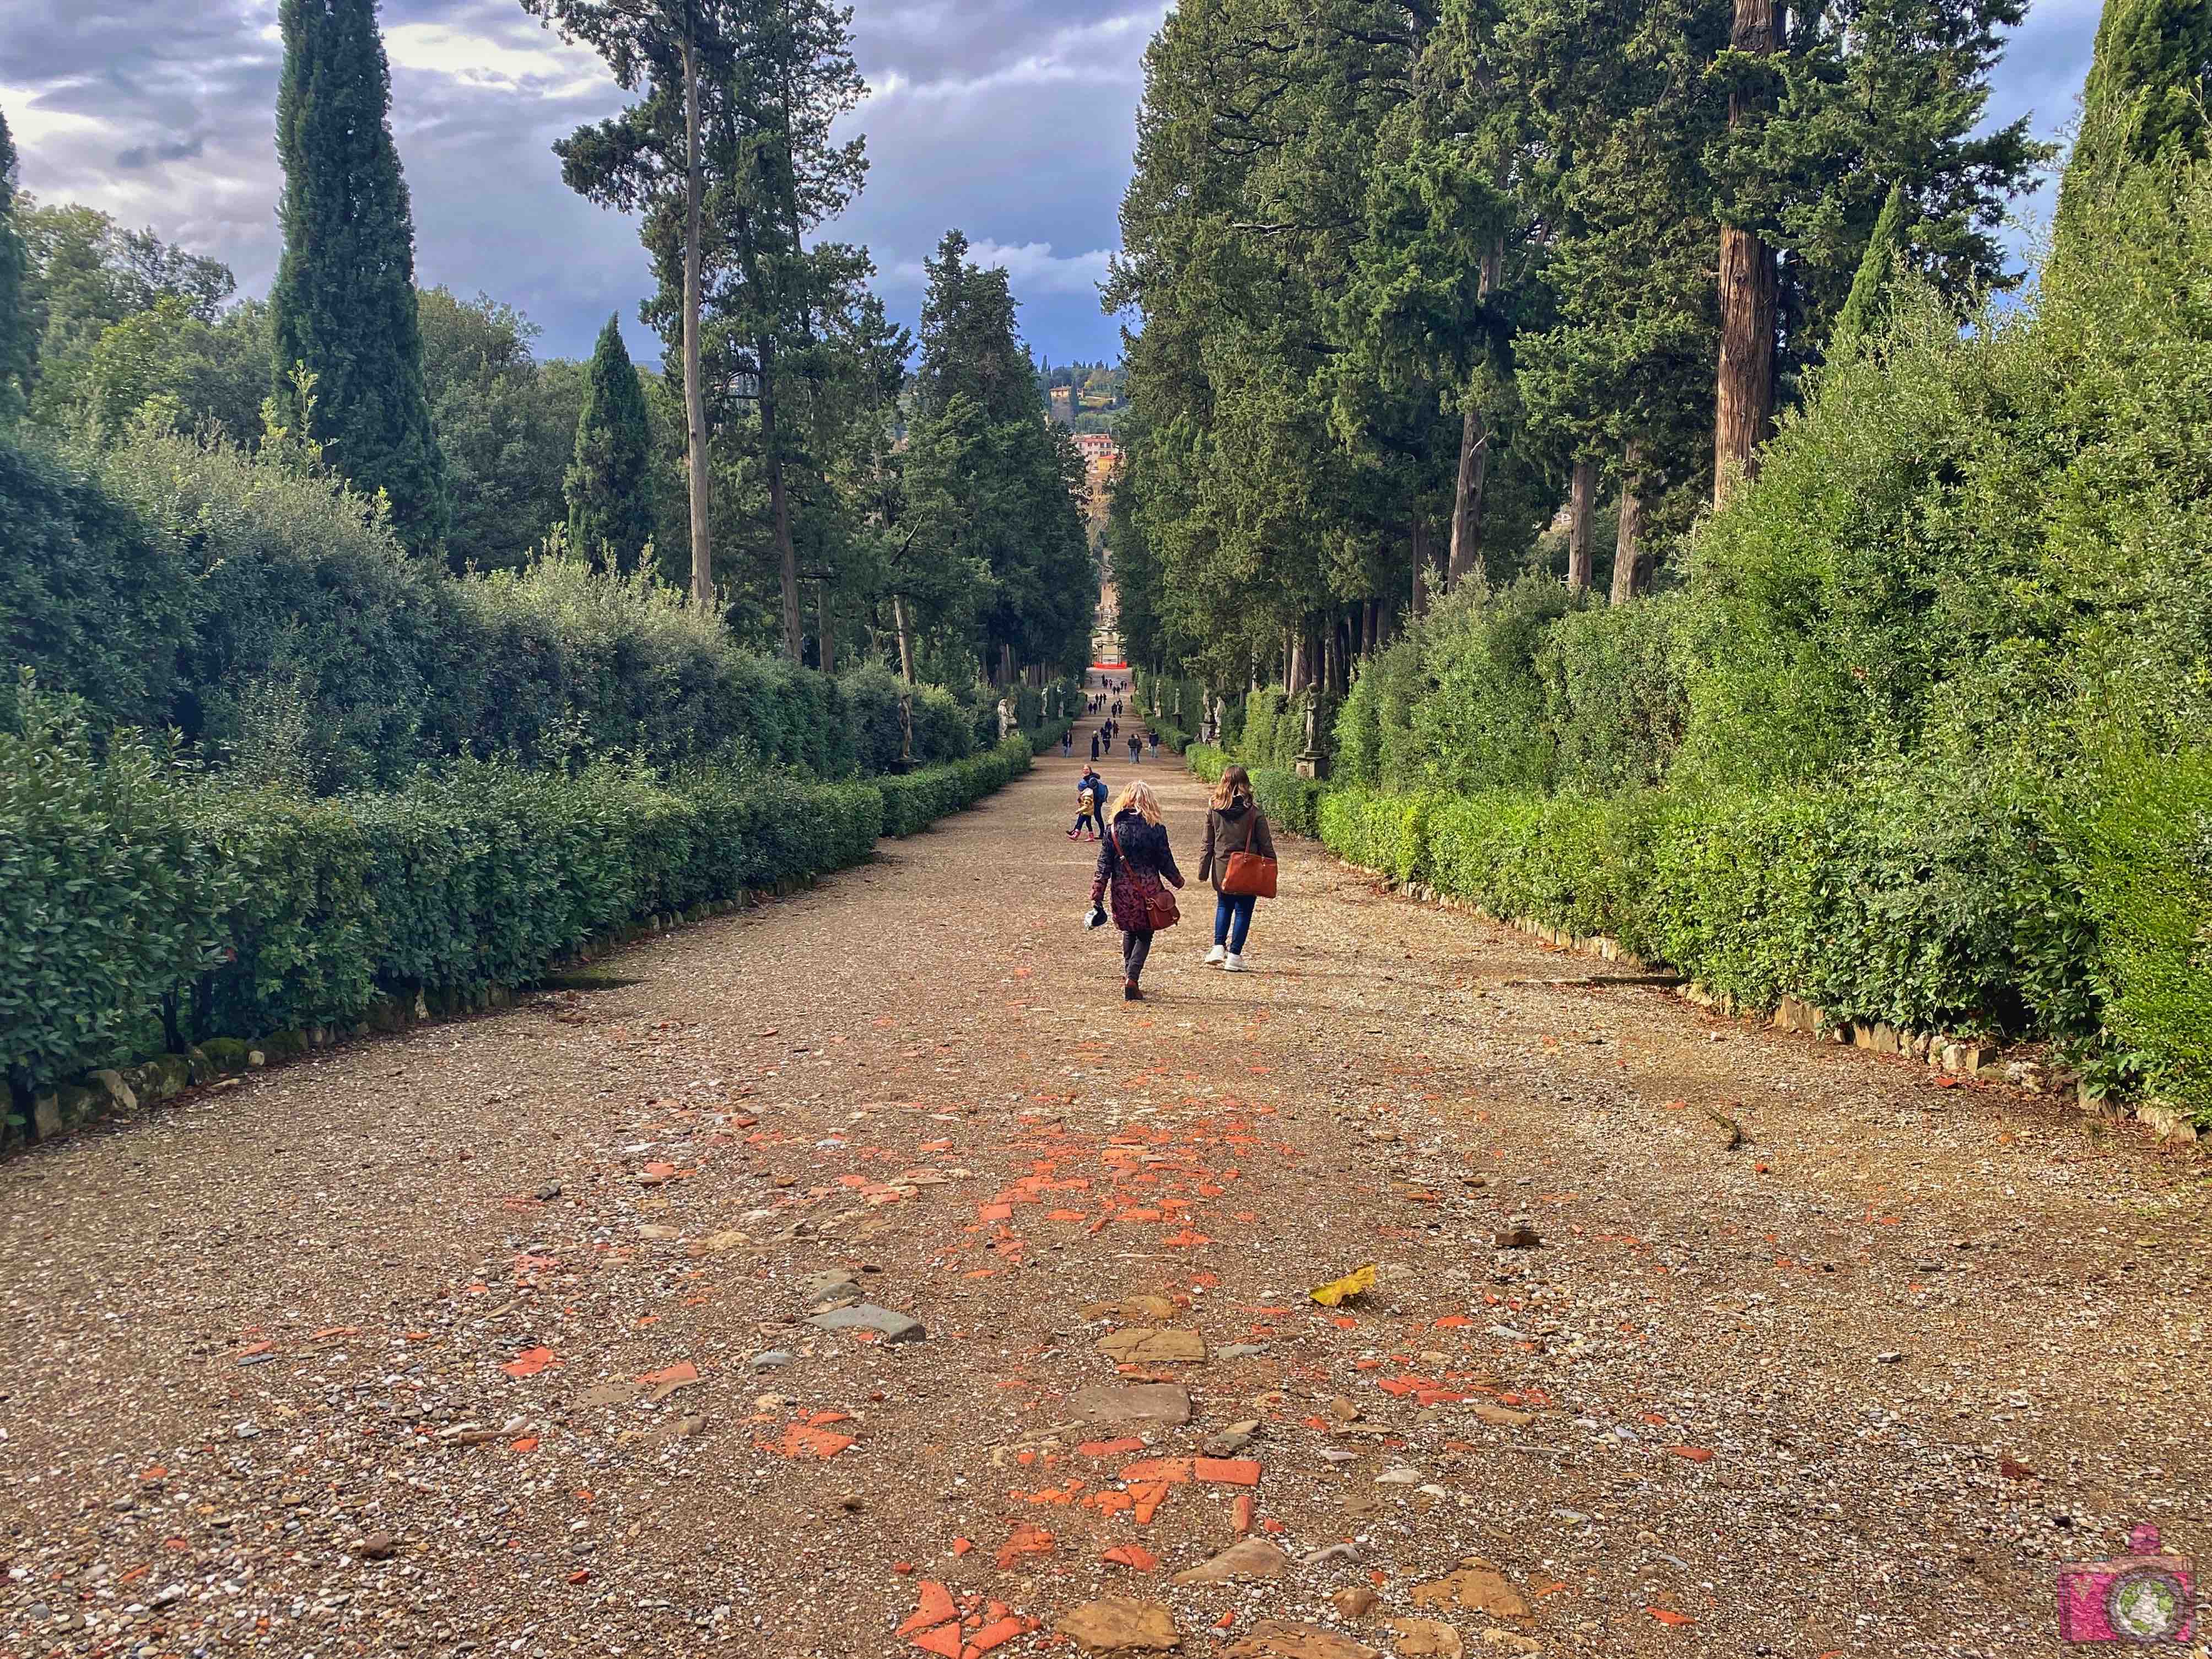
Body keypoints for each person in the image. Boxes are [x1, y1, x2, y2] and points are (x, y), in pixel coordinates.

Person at [1089, 779, 1184, 1001]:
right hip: (1148, 890)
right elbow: (1165, 861)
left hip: (1122, 891)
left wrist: (1097, 894)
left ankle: (1128, 976)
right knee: (1145, 933)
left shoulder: (1113, 830)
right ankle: (1132, 978)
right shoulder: (1156, 830)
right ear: (1149, 802)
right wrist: (1177, 880)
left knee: (1130, 931)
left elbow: (1104, 866)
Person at [1197, 764, 1276, 973]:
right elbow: (1266, 844)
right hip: (1247, 868)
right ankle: (1234, 955)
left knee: (1224, 905)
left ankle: (1217, 947)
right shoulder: (1254, 813)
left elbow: (1208, 844)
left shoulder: (1214, 810)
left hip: (1222, 868)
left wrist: (1203, 871)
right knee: (1243, 911)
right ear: (1245, 785)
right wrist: (1271, 867)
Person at [1069, 765, 1105, 840]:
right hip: (1089, 802)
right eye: (1084, 769)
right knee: (1085, 817)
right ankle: (1077, 831)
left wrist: (1089, 804)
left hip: (1095, 802)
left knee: (1097, 817)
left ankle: (1102, 833)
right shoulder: (1086, 779)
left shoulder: (1092, 780)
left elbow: (1091, 793)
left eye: (1087, 769)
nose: (1085, 771)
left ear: (1090, 771)